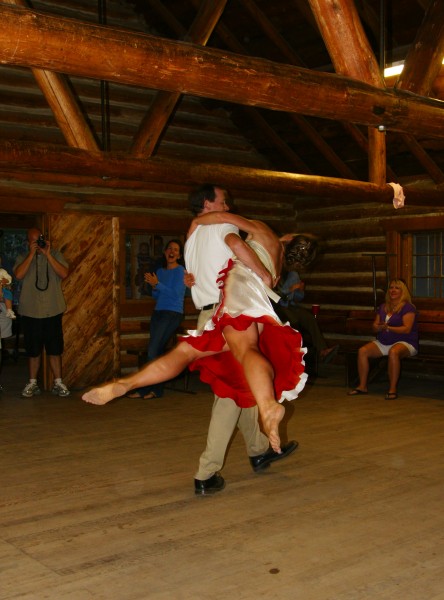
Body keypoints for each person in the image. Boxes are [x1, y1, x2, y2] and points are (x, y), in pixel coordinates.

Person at [83, 184, 302, 494]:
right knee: (229, 396)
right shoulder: (224, 224)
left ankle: (258, 449)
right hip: (230, 310)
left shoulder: (191, 238)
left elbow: (196, 273)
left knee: (237, 386)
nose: (228, 202)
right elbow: (234, 241)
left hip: (207, 313)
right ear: (209, 204)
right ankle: (206, 472)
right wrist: (263, 273)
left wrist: (197, 226)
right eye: (222, 199)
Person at [14, 228, 70, 398]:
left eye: (39, 239)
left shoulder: (55, 254)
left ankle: (58, 382)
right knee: (33, 350)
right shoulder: (22, 257)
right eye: (33, 241)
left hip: (52, 309)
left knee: (55, 349)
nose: (37, 243)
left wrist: (48, 254)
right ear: (27, 242)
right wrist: (31, 255)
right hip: (31, 310)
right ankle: (32, 383)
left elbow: (64, 273)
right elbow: (18, 275)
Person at [127, 239, 186, 399]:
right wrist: (154, 287)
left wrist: (157, 284)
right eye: (169, 249)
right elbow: (157, 295)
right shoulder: (160, 272)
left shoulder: (181, 271)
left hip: (172, 313)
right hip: (159, 311)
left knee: (153, 350)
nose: (171, 251)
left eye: (175, 250)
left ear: (179, 255)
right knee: (155, 351)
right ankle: (152, 390)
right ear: (165, 252)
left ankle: (148, 389)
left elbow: (176, 294)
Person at [348, 279, 418, 400]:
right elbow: (374, 327)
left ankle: (392, 389)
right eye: (391, 288)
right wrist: (377, 327)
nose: (393, 290)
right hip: (384, 341)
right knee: (362, 351)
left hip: (405, 342)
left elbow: (406, 329)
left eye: (397, 288)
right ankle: (362, 386)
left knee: (393, 352)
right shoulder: (383, 307)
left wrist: (389, 327)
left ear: (403, 291)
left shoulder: (408, 308)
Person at [274, 267, 339, 366]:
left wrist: (300, 291)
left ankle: (323, 351)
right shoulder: (273, 275)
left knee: (310, 318)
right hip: (278, 308)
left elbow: (297, 299)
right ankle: (294, 357)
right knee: (294, 321)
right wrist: (290, 289)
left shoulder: (291, 274)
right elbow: (274, 295)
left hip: (291, 306)